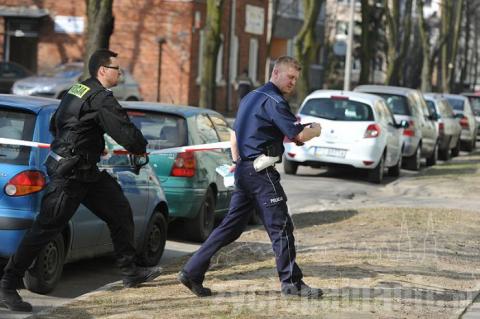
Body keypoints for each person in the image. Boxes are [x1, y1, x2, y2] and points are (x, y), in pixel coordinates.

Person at [0, 49, 161, 312]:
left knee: (119, 210)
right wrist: (140, 147)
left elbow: (58, 124)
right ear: (102, 71)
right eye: (116, 69)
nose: (120, 73)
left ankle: (130, 271)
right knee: (45, 229)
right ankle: (8, 284)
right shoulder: (101, 98)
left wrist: (93, 146)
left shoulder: (77, 90)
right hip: (70, 175)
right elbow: (126, 132)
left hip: (86, 171)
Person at [177, 56, 323, 298]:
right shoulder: (275, 101)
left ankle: (192, 272)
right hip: (262, 174)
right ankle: (292, 284)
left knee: (229, 228)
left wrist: (238, 164)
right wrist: (315, 130)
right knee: (281, 227)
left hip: (245, 171)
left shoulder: (250, 97)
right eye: (290, 77)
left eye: (296, 79)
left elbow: (234, 135)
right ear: (276, 73)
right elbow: (297, 135)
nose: (293, 83)